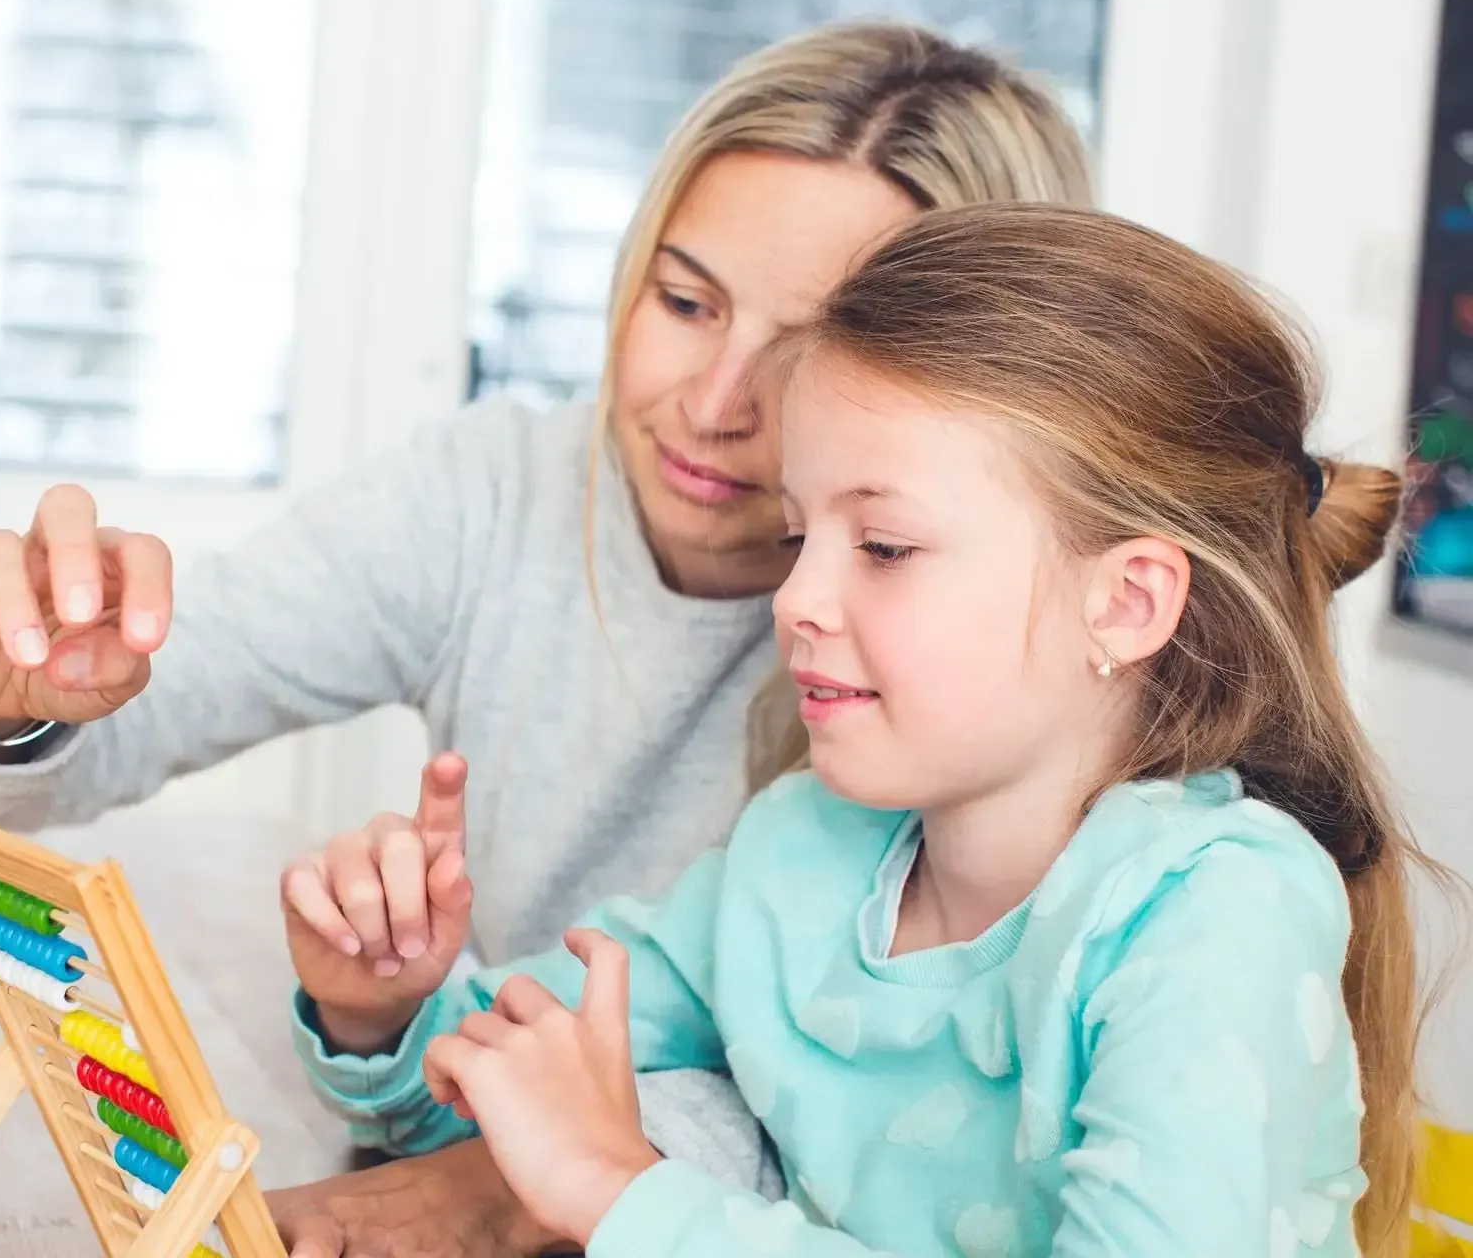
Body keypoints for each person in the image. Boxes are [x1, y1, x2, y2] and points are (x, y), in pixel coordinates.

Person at [0, 22, 1092, 1252]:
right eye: (685, 301)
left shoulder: (978, 660)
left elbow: (893, 1123)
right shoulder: (492, 494)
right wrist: (10, 692)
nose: (715, 402)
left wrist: (509, 1183)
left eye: (810, 352)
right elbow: (113, 723)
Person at [284, 202, 1443, 1257]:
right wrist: (382, 994)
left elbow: (592, 1164)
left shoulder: (1212, 909)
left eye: (883, 548)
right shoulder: (804, 848)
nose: (795, 601)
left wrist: (621, 1188)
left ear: (1127, 601)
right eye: (799, 537)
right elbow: (524, 1073)